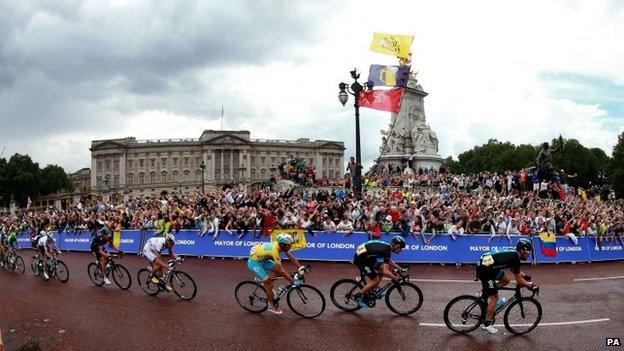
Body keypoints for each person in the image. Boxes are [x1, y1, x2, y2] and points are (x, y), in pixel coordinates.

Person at [475, 238, 538, 334]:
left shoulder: (514, 255)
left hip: (489, 266)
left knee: (506, 280)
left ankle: (487, 291)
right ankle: (486, 324)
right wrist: (530, 285)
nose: (528, 255)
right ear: (522, 250)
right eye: (527, 252)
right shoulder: (515, 259)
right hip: (485, 270)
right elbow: (519, 281)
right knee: (495, 298)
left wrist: (525, 276)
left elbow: (514, 270)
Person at [247, 233, 303, 315]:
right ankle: (270, 306)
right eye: (289, 244)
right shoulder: (275, 250)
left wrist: (300, 267)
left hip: (263, 259)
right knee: (270, 285)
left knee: (277, 274)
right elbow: (281, 271)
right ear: (283, 244)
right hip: (254, 262)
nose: (291, 246)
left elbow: (291, 257)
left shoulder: (281, 245)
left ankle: (264, 280)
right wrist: (293, 281)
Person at [352, 236, 406, 308]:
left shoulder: (387, 248)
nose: (401, 250)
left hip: (368, 257)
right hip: (361, 260)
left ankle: (371, 289)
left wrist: (399, 268)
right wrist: (396, 278)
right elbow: (385, 271)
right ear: (396, 246)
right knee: (376, 280)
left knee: (380, 269)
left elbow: (388, 260)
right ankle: (358, 296)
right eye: (401, 248)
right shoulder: (386, 250)